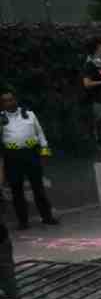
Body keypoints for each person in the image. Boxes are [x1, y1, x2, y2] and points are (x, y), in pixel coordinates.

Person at [0, 89, 57, 229]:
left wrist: (44, 149)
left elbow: (40, 133)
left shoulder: (29, 115)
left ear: (15, 100)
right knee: (16, 190)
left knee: (38, 187)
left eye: (11, 99)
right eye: (5, 101)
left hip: (31, 154)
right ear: (2, 104)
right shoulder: (0, 119)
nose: (9, 103)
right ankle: (23, 222)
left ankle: (47, 217)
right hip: (12, 156)